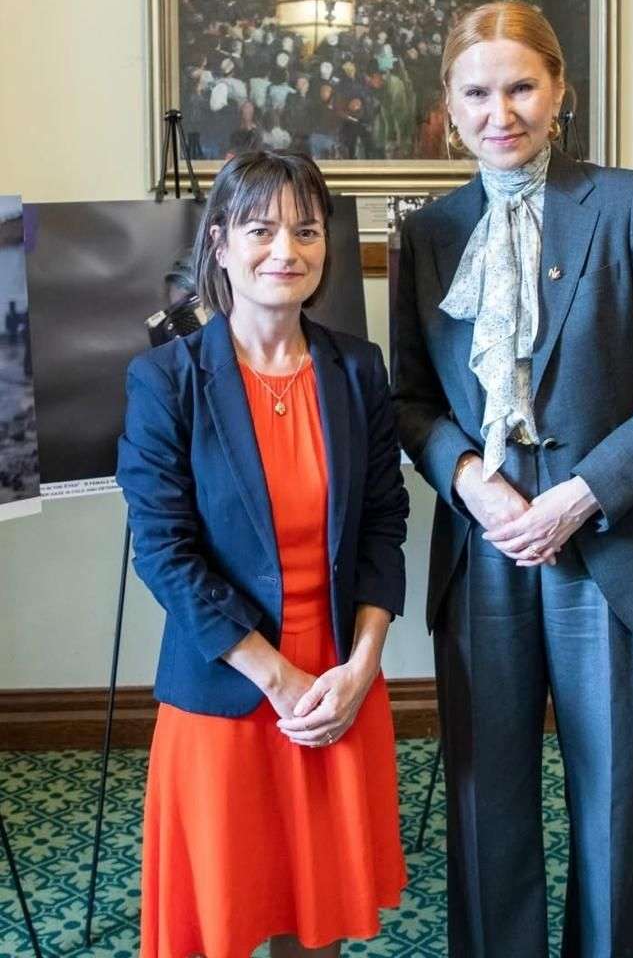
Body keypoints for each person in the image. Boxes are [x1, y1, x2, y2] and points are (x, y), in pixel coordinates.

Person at [392, 0, 633, 958]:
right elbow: (410, 400)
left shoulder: (623, 202)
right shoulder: (430, 232)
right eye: (477, 93)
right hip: (486, 539)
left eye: (521, 87)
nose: (500, 112)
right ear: (449, 104)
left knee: (610, 796)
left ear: (560, 89)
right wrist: (471, 482)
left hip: (609, 539)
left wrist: (582, 494)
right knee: (484, 795)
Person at [118, 151, 408, 958]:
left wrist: (361, 667)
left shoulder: (358, 369)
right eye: (261, 229)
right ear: (219, 243)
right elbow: (165, 553)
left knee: (317, 920)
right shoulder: (166, 379)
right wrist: (279, 680)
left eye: (306, 231)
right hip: (230, 687)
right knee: (222, 919)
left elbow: (384, 522)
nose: (287, 249)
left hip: (338, 686)